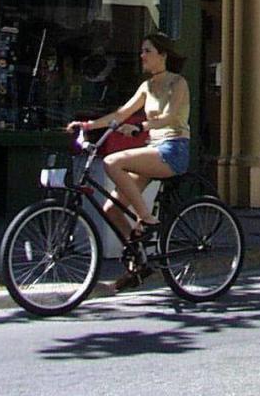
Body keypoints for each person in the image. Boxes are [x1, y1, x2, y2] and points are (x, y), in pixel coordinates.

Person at [67, 32, 190, 291]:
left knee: (113, 162)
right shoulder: (147, 87)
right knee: (111, 209)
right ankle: (139, 263)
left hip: (173, 149)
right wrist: (89, 125)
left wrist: (140, 127)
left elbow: (169, 117)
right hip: (153, 149)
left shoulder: (177, 83)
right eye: (142, 50)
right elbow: (120, 114)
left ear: (163, 55)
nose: (142, 55)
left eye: (147, 50)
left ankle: (146, 220)